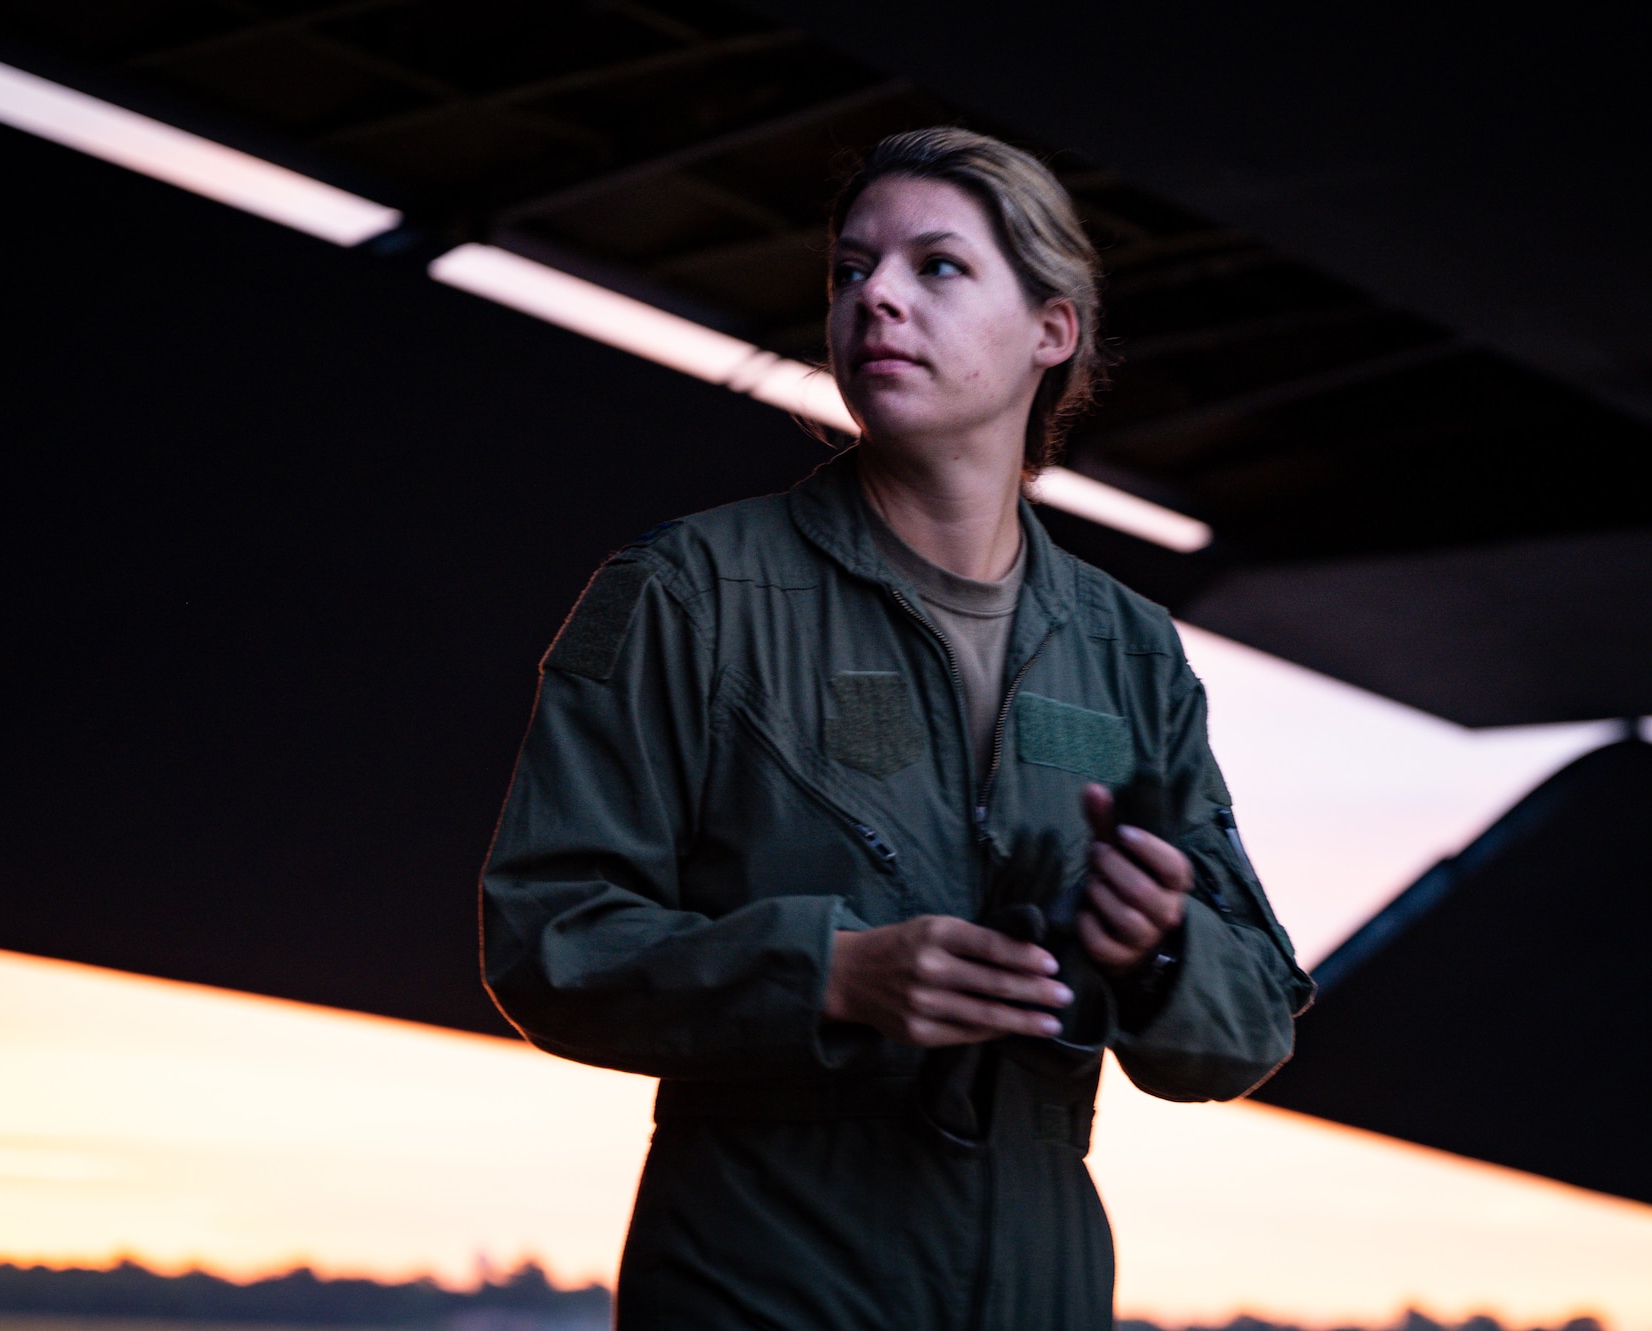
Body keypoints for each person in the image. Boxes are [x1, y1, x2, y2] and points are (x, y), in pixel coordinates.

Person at [481, 127, 1315, 1330]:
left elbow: (1245, 1027)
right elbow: (547, 937)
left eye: (935, 266)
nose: (872, 294)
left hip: (1040, 1285)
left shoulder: (1130, 649)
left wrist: (1163, 947)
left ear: (1051, 328)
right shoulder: (685, 594)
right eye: (849, 269)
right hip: (761, 1279)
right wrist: (830, 974)